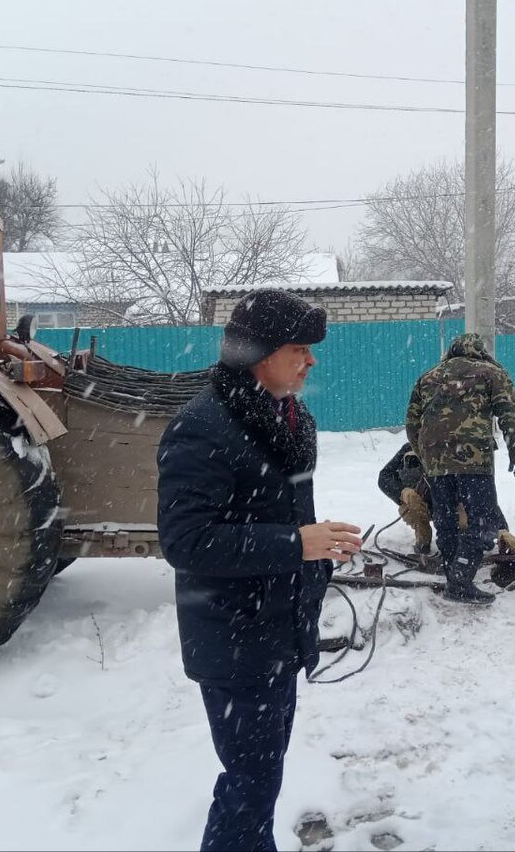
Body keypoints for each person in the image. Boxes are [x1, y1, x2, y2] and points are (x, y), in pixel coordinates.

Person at [157, 288, 363, 852]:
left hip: (276, 631)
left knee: (261, 778)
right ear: (259, 353)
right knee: (249, 782)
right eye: (300, 348)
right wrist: (296, 545)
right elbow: (186, 541)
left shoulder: (291, 419)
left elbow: (284, 516)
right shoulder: (203, 428)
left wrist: (316, 555)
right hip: (233, 638)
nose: (312, 360)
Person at [405, 333, 515, 605]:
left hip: (437, 461)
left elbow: (412, 423)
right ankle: (460, 580)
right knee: (483, 521)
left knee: (446, 519)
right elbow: (513, 414)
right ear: (479, 351)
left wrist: (427, 457)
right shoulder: (490, 372)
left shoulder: (428, 377)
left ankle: (454, 573)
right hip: (473, 459)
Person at [376, 441, 515, 558]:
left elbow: (482, 496)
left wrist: (501, 529)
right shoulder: (409, 449)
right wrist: (403, 492)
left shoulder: (459, 453)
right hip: (422, 505)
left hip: (452, 510)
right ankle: (423, 540)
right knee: (412, 503)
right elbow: (384, 477)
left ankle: (462, 541)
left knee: (479, 538)